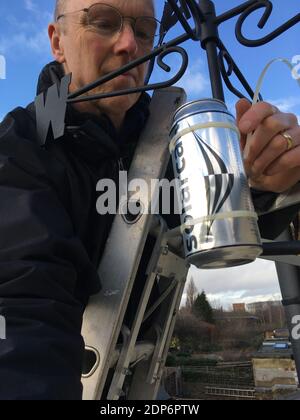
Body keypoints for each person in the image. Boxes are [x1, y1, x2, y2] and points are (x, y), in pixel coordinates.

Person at [0, 0, 299, 400]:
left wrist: (262, 184)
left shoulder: (169, 138)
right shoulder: (21, 145)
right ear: (58, 41)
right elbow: (23, 310)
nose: (129, 45)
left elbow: (204, 224)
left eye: (144, 31)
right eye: (104, 22)